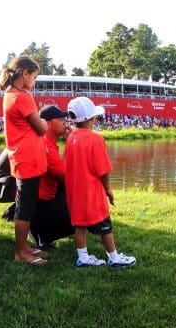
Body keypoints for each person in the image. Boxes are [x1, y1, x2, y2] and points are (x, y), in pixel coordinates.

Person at [65, 97, 136, 268]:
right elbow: (103, 170)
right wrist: (108, 189)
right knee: (104, 224)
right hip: (92, 193)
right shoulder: (95, 139)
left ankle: (83, 257)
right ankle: (114, 257)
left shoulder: (70, 138)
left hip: (75, 193)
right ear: (92, 118)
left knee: (80, 225)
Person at [0, 55, 48, 265]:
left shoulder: (10, 94)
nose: (34, 82)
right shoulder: (22, 97)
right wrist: (42, 117)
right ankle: (21, 253)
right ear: (25, 74)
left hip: (20, 158)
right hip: (28, 159)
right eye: (34, 77)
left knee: (23, 204)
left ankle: (24, 247)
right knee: (25, 207)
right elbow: (42, 128)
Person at [29, 105, 75, 246]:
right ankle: (40, 233)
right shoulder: (46, 145)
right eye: (61, 119)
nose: (65, 122)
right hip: (40, 204)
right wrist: (70, 144)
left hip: (39, 199)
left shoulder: (46, 141)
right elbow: (65, 177)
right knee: (80, 219)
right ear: (49, 123)